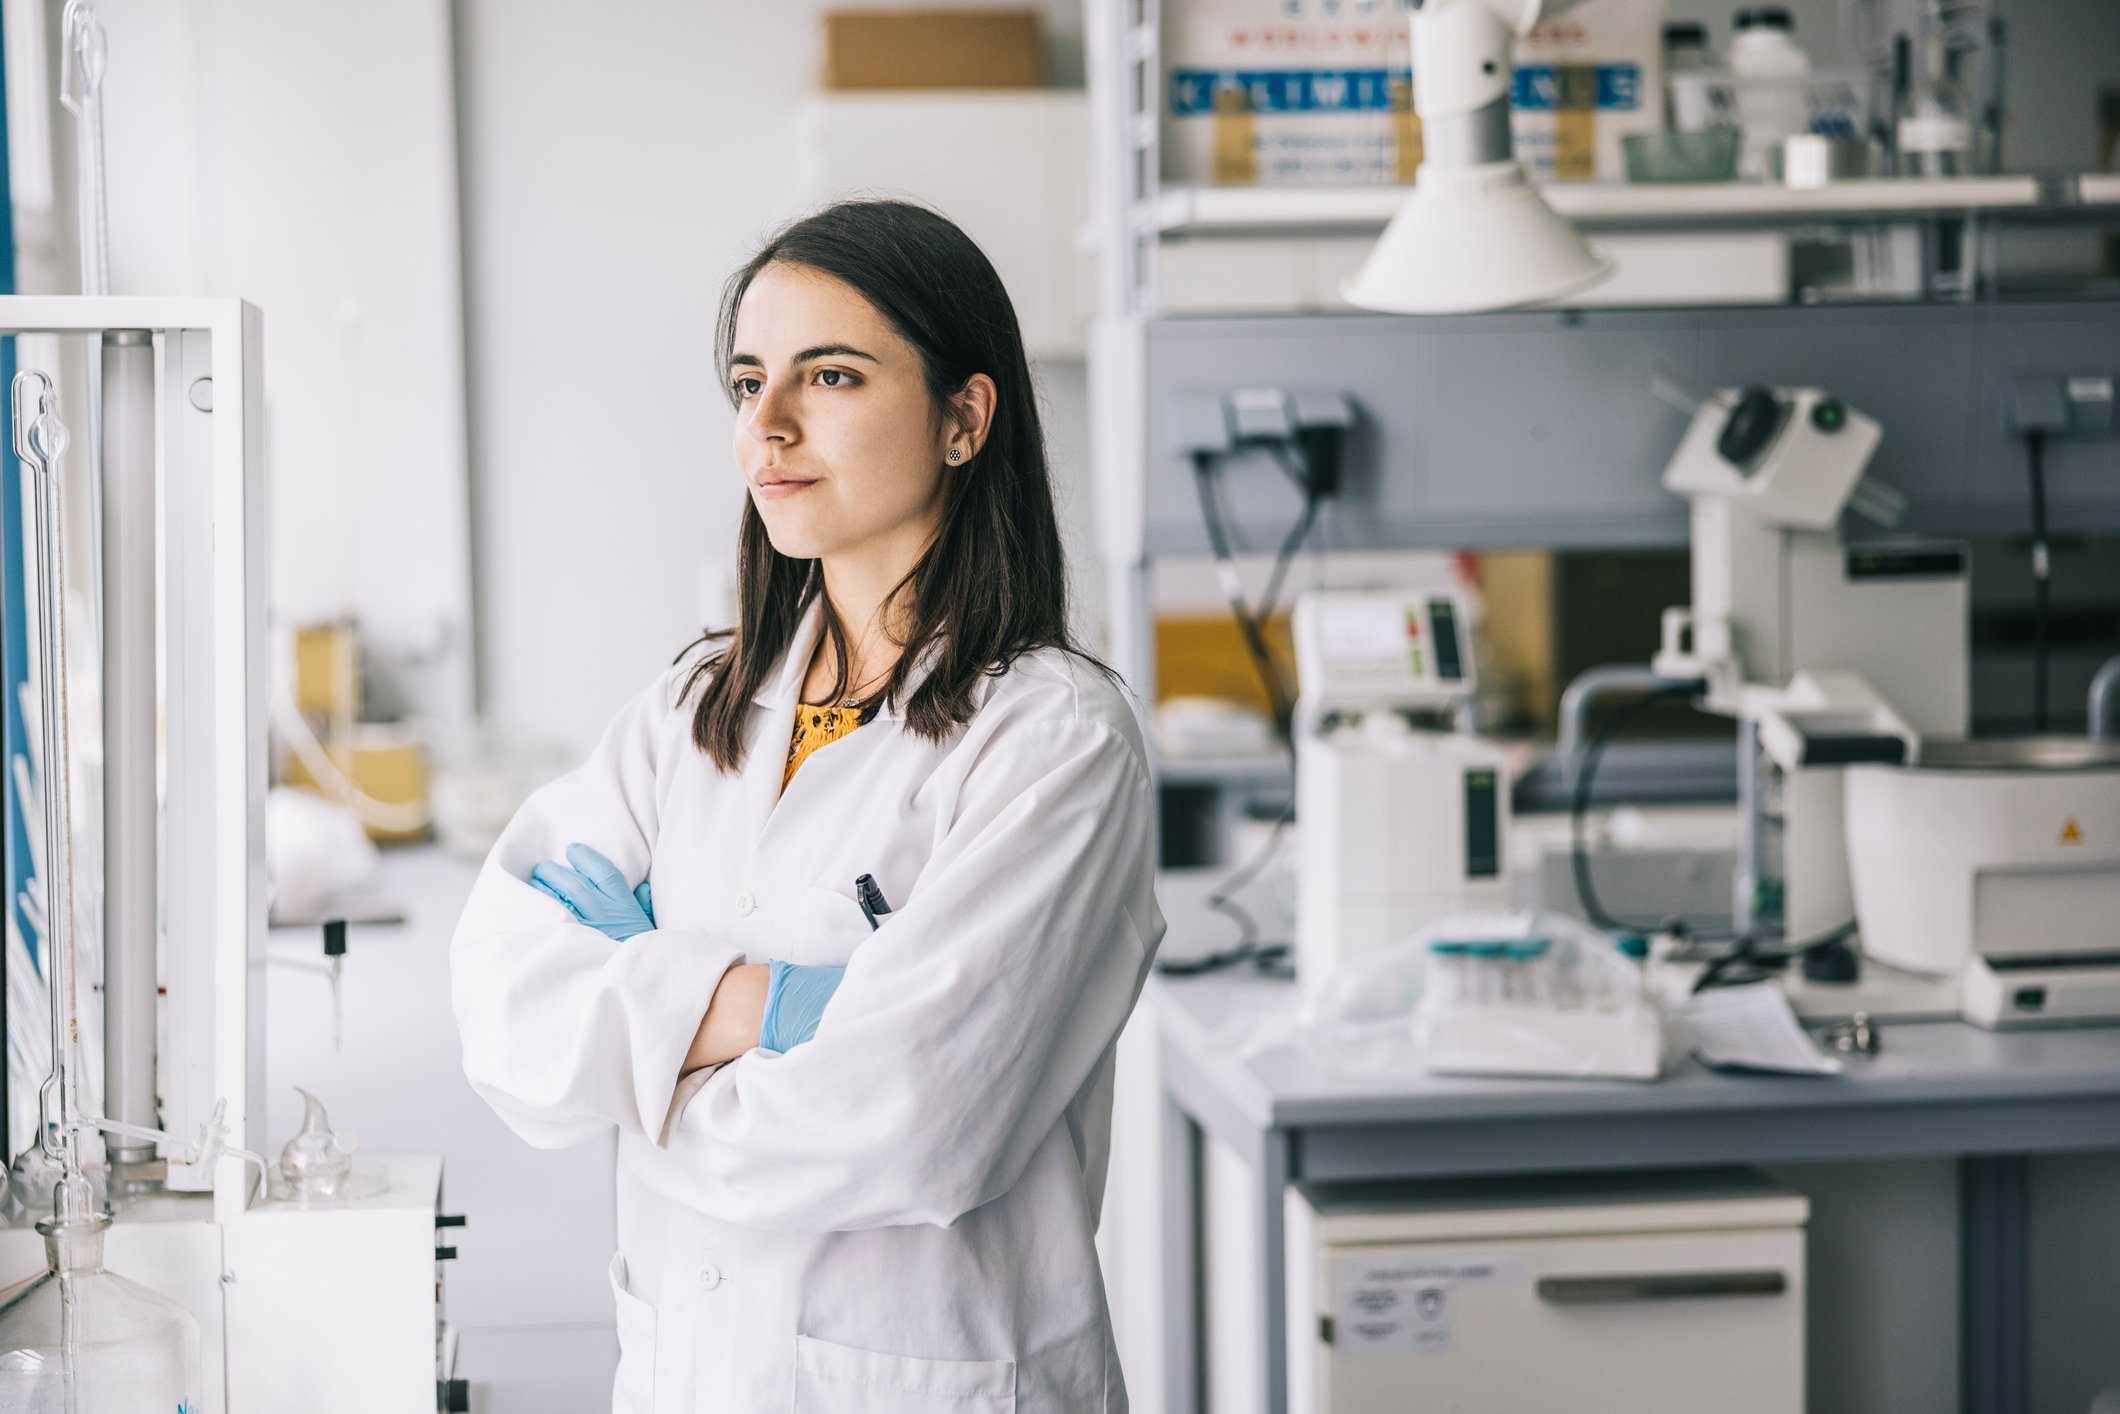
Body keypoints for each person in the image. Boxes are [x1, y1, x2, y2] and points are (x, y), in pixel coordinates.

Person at [450, 199, 1163, 1414]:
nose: (765, 427)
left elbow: (907, 1126)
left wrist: (637, 1041)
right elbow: (502, 1006)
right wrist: (764, 1009)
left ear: (961, 417)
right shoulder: (696, 707)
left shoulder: (1052, 741)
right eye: (745, 382)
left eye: (828, 375)